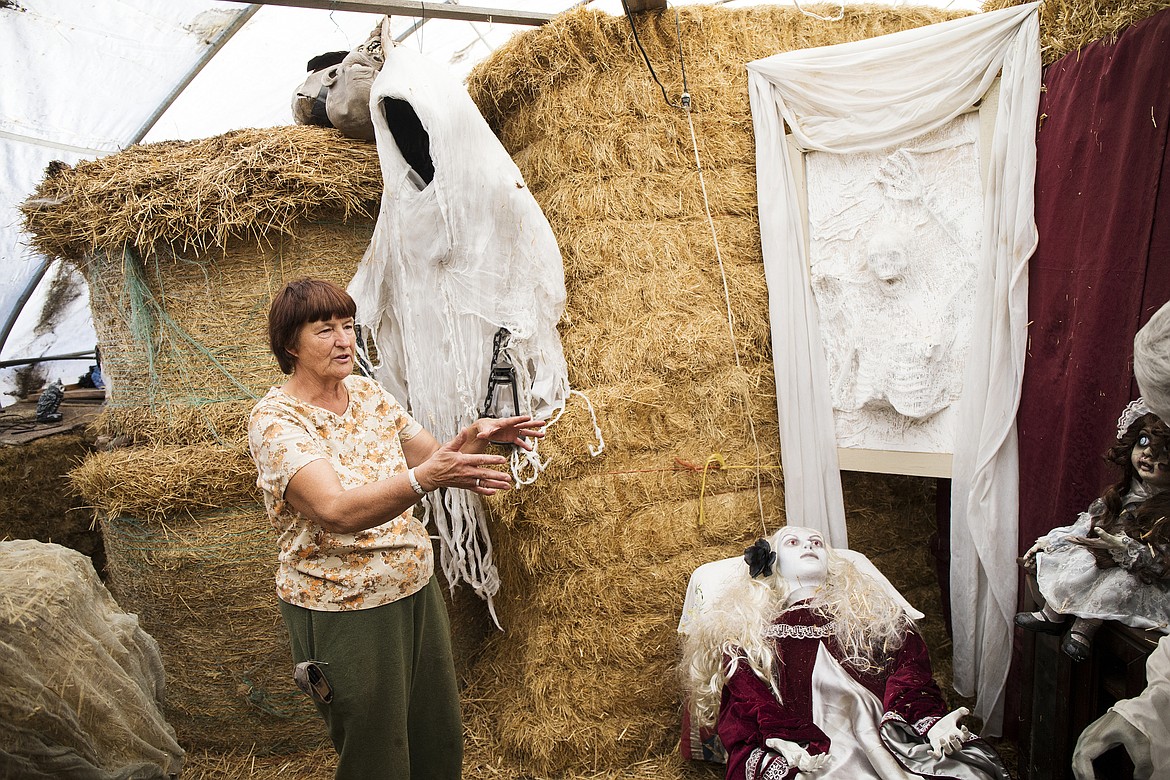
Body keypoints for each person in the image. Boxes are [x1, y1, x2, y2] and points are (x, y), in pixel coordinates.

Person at [247, 278, 545, 779]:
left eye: (348, 326)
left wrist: (476, 435)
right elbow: (335, 510)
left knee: (436, 734)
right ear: (290, 346)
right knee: (375, 751)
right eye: (326, 330)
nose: (345, 341)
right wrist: (425, 478)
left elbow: (433, 460)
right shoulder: (277, 420)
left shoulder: (366, 394)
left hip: (412, 587)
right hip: (346, 603)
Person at [680, 525, 1009, 780]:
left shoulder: (875, 619)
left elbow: (910, 675)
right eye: (793, 542)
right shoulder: (748, 636)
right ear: (771, 562)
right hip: (813, 751)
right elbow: (748, 704)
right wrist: (780, 742)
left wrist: (930, 723)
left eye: (817, 542)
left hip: (886, 739)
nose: (809, 545)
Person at [1015, 398, 1170, 662]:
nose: (1147, 456)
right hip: (1106, 558)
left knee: (1118, 584)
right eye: (1143, 443)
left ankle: (1082, 632)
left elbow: (1161, 562)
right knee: (1079, 560)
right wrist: (1053, 542)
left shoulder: (1164, 512)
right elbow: (1086, 524)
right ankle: (1053, 616)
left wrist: (1125, 549)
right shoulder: (1123, 495)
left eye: (1162, 454)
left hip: (1142, 576)